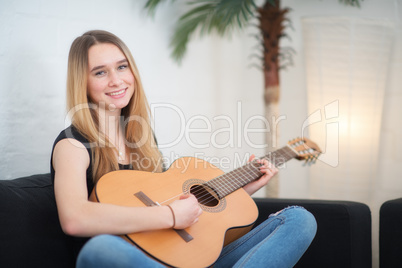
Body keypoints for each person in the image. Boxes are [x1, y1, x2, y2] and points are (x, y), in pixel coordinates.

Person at [51, 30, 317, 268]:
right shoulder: (72, 144)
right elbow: (74, 218)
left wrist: (242, 192)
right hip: (132, 260)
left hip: (181, 261)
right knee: (102, 248)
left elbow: (183, 214)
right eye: (100, 72)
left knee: (299, 220)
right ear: (82, 82)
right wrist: (170, 215)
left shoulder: (142, 140)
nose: (116, 80)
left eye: (122, 67)